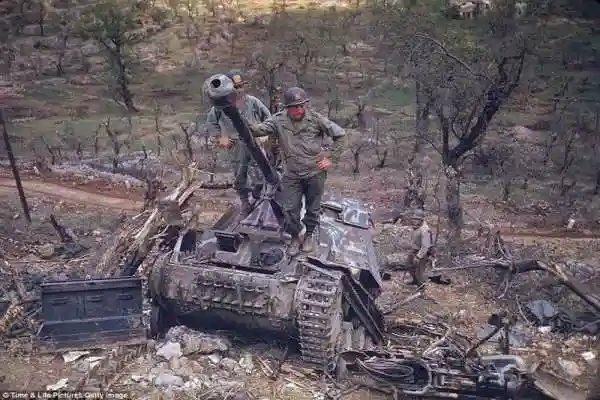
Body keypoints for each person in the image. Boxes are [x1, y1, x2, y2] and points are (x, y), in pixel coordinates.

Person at [245, 87, 346, 256]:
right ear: (287, 108)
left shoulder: (316, 119)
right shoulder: (278, 120)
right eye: (295, 106)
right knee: (290, 209)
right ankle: (295, 236)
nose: (299, 109)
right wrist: (240, 117)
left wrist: (331, 158)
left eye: (302, 105)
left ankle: (309, 235)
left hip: (314, 172)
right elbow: (258, 130)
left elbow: (341, 135)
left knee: (313, 208)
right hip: (291, 174)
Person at [205, 69, 272, 214]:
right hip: (235, 145)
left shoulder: (253, 102)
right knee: (240, 175)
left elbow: (269, 118)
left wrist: (264, 134)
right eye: (236, 87)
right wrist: (219, 138)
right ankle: (245, 202)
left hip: (255, 142)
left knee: (262, 173)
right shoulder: (220, 107)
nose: (239, 89)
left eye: (241, 86)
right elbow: (211, 123)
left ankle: (259, 195)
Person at [407, 209, 434, 286]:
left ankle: (421, 288)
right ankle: (415, 281)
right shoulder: (416, 227)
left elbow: (425, 246)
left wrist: (418, 257)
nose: (414, 221)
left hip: (421, 253)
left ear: (421, 220)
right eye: (414, 219)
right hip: (414, 250)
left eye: (417, 219)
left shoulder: (425, 230)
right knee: (409, 265)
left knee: (419, 272)